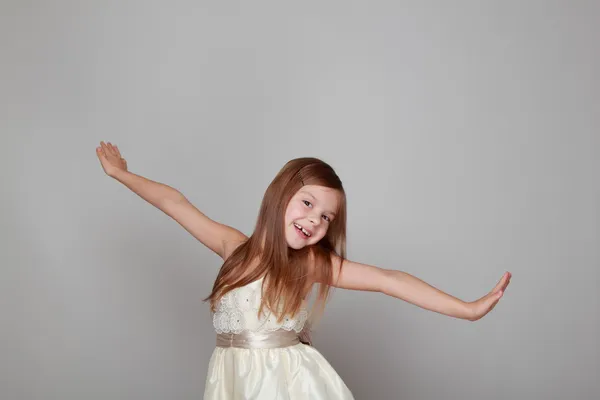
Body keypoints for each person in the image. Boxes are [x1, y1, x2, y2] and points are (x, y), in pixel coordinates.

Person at [96, 141, 511, 399]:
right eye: (308, 203)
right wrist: (122, 174)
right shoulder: (233, 247)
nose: (315, 220)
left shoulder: (312, 264)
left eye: (327, 217)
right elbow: (176, 203)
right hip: (232, 380)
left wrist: (467, 308)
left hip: (287, 385)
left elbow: (389, 280)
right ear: (281, 195)